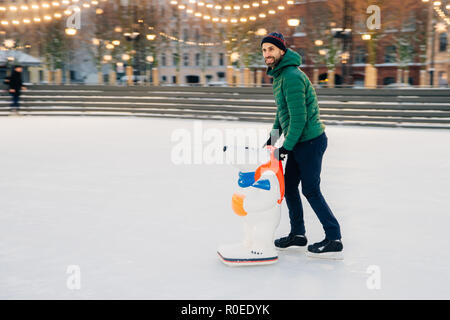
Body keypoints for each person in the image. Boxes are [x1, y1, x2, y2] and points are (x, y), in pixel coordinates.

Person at [261, 32, 343, 259]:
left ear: (281, 51)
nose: (267, 54)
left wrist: (285, 147)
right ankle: (298, 234)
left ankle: (334, 238)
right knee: (288, 186)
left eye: (271, 49)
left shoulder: (291, 76)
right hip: (299, 141)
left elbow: (299, 118)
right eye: (264, 50)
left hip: (310, 141)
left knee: (310, 189)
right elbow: (282, 112)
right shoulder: (280, 76)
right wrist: (273, 138)